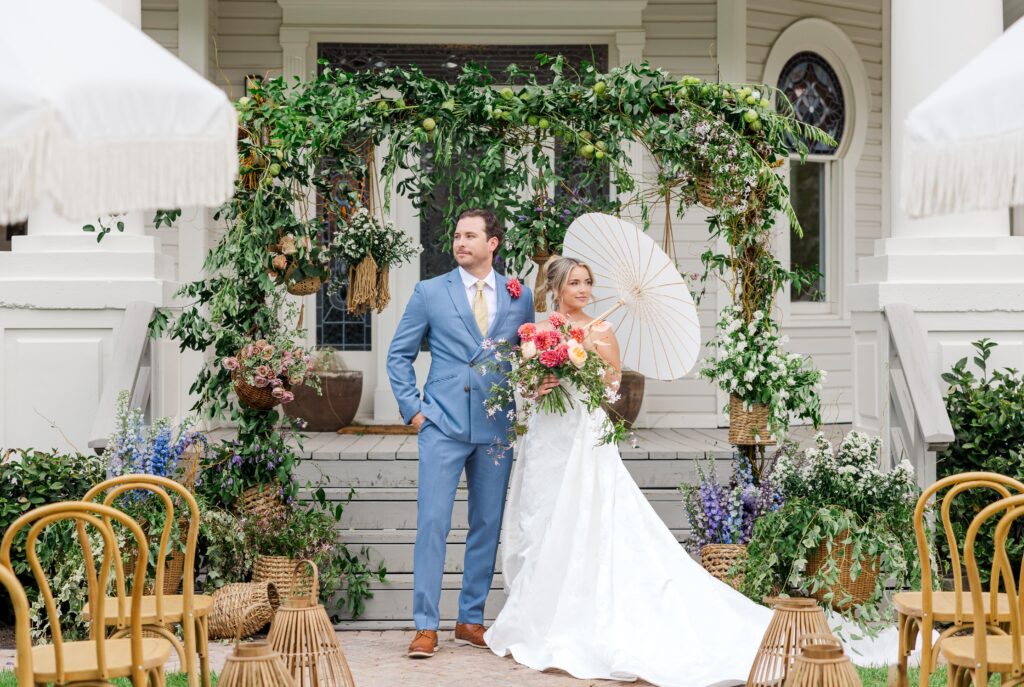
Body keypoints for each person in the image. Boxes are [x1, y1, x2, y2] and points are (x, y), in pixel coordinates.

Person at [483, 254, 777, 686]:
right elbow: (524, 385)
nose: (583, 291)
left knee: (585, 515)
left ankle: (583, 613)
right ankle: (537, 615)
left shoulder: (601, 329)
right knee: (539, 517)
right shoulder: (537, 331)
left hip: (583, 431)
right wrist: (540, 379)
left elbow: (614, 384)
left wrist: (577, 362)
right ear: (556, 288)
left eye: (587, 282)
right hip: (547, 435)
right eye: (575, 283)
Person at [386, 208, 538, 659]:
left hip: (496, 429)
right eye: (456, 235)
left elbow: (525, 356)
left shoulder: (519, 295)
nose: (460, 242)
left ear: (493, 243)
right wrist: (415, 412)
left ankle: (470, 618)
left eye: (470, 236)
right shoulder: (430, 292)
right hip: (442, 425)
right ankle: (425, 625)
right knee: (433, 524)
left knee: (486, 525)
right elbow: (399, 356)